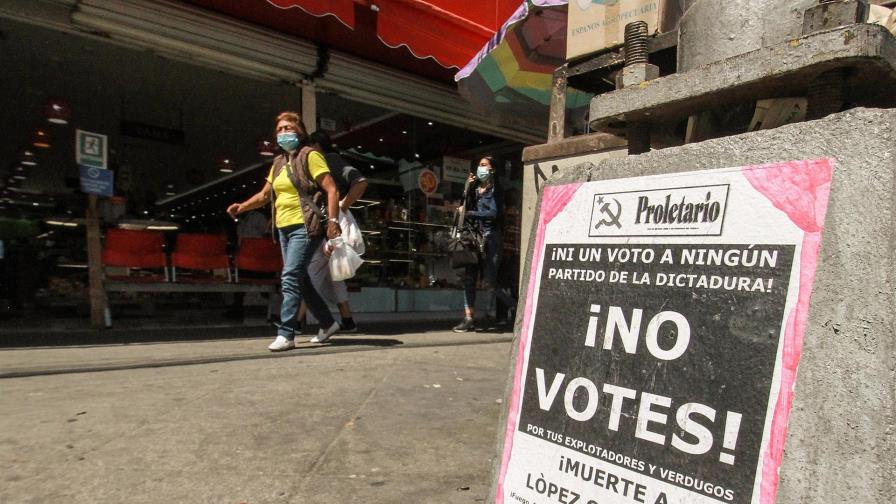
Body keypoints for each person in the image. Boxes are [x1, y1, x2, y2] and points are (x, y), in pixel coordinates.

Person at [226, 111, 342, 351]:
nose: (283, 132)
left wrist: (333, 220)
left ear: (299, 132)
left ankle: (286, 333)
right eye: (279, 129)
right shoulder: (278, 163)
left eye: (288, 128)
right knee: (300, 278)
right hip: (284, 228)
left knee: (290, 276)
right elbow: (265, 195)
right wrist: (242, 207)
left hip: (306, 225)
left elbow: (332, 189)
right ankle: (329, 323)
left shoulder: (310, 156)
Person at [297, 130, 368, 333]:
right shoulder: (330, 160)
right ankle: (347, 320)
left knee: (309, 273)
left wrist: (343, 205)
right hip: (334, 223)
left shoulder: (330, 161)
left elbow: (360, 181)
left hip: (329, 224)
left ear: (316, 146)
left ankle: (295, 321)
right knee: (335, 274)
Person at [453, 156, 515, 332]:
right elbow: (464, 205)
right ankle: (468, 318)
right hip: (474, 238)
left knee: (489, 282)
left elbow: (493, 213)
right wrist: (467, 187)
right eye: (479, 165)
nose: (480, 168)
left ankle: (517, 307)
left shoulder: (496, 190)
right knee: (469, 278)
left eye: (483, 165)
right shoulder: (474, 189)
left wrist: (469, 213)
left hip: (491, 238)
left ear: (492, 169)